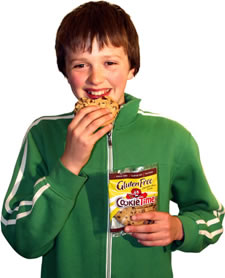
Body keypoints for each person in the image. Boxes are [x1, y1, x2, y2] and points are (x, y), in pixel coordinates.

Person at [1, 1, 224, 277]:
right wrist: (68, 165)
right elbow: (22, 239)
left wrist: (180, 228)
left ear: (132, 67)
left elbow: (212, 217)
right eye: (81, 64)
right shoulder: (42, 135)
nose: (96, 78)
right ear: (65, 71)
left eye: (110, 62)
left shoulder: (172, 137)